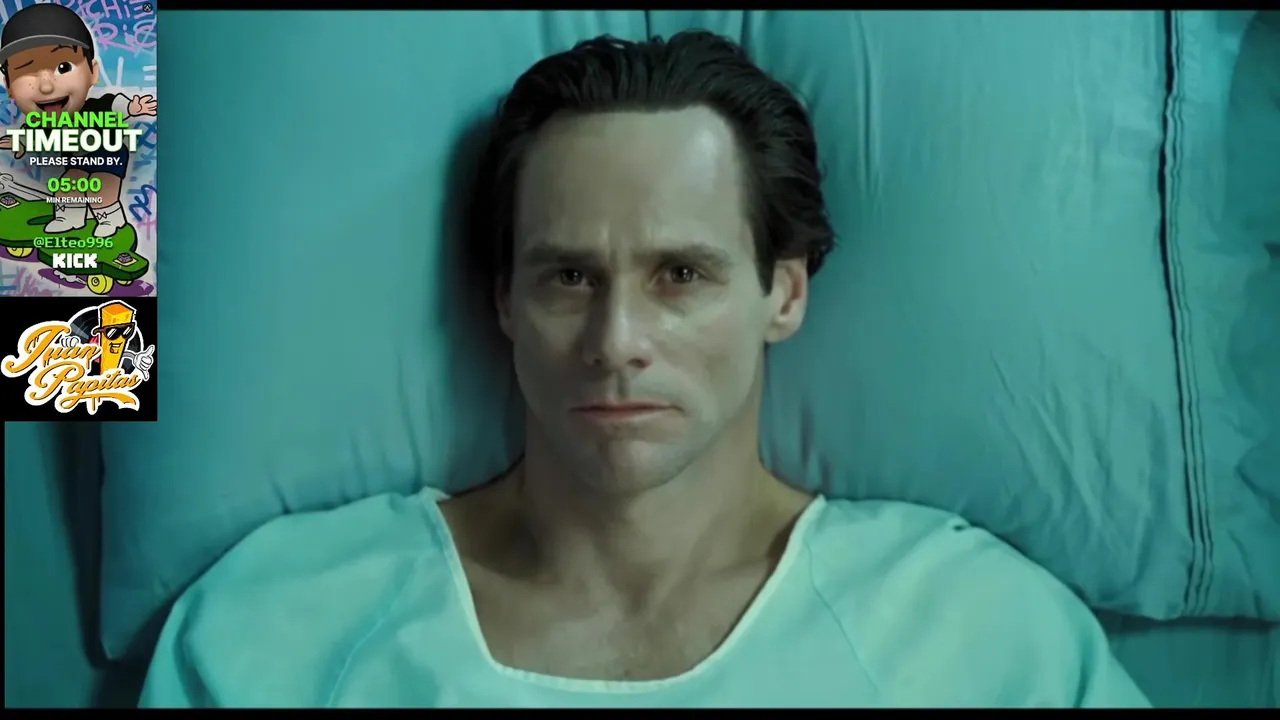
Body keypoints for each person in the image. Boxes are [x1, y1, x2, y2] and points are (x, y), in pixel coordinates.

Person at [139, 32, 1151, 708]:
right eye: (569, 276)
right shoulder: (285, 622)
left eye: (681, 275)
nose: (616, 339)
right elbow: (69, 72)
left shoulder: (974, 636)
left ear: (784, 292)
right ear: (503, 300)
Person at [0, 3, 157, 239]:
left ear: (93, 72)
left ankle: (111, 219)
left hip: (109, 157)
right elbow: (31, 132)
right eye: (26, 72)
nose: (46, 87)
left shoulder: (96, 106)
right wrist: (19, 143)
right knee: (68, 185)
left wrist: (134, 108)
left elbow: (114, 105)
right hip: (77, 161)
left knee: (101, 188)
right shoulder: (40, 121)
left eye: (63, 67)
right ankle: (68, 218)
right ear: (9, 85)